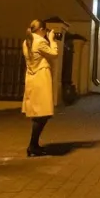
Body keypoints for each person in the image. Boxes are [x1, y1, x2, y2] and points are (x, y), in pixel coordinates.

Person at [22, 19, 59, 157]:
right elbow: (54, 54)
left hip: (32, 79)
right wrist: (52, 40)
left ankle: (34, 145)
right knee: (43, 114)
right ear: (42, 29)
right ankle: (33, 145)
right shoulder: (40, 41)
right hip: (41, 79)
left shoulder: (26, 42)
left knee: (39, 114)